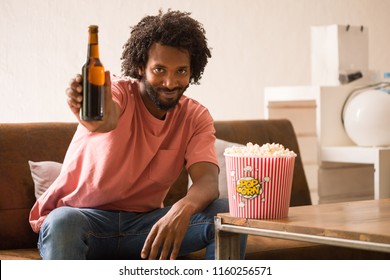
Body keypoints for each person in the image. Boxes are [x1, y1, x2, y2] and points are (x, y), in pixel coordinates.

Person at [29, 9, 246, 260]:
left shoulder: (195, 117)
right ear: (141, 66)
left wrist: (181, 210)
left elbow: (207, 183)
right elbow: (105, 119)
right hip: (83, 220)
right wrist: (87, 109)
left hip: (145, 228)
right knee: (63, 221)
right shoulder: (119, 91)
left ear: (192, 71)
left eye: (181, 71)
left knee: (228, 213)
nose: (170, 82)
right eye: (160, 70)